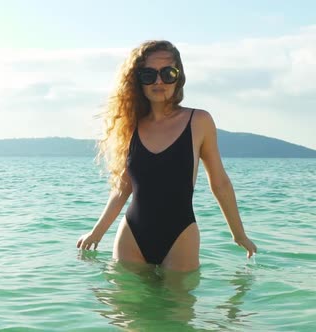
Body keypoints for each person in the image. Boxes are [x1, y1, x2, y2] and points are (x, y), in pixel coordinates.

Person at [76, 40, 257, 272]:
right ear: (137, 80)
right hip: (132, 236)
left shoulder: (199, 121)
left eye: (167, 73)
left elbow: (219, 183)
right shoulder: (131, 126)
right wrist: (97, 231)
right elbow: (123, 188)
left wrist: (238, 235)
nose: (159, 81)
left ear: (179, 77)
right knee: (126, 309)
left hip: (181, 236)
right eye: (149, 74)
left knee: (177, 309)